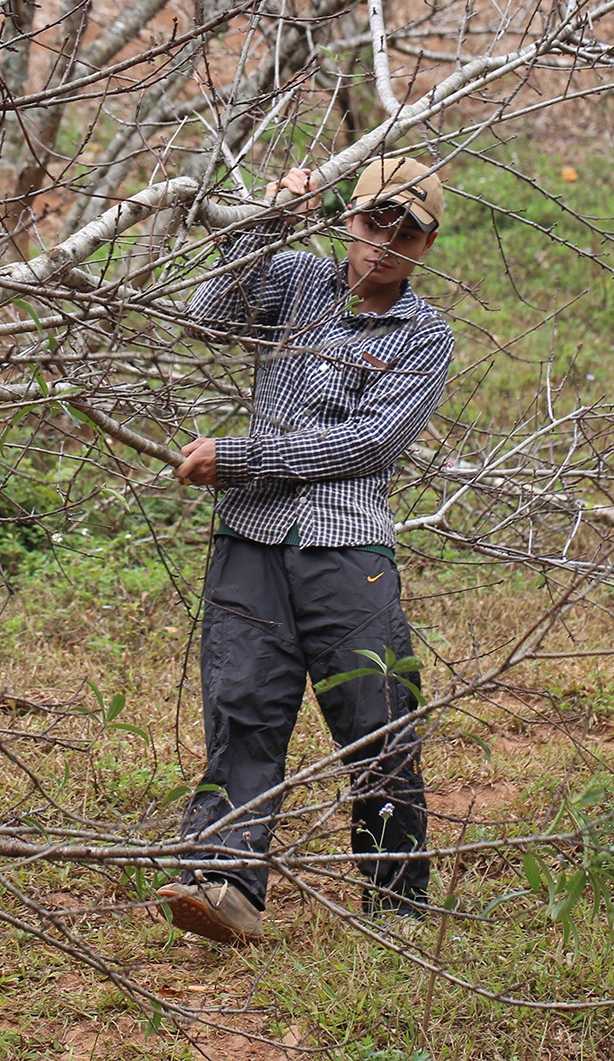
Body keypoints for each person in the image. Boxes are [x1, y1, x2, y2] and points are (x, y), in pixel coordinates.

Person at [155, 155, 454, 944]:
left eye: (405, 235)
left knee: (376, 719)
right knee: (243, 708)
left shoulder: (424, 336)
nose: (383, 246)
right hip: (250, 538)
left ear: (426, 247)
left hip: (346, 549)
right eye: (372, 224)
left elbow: (367, 443)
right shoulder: (292, 279)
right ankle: (224, 886)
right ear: (347, 221)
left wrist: (243, 458)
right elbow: (205, 314)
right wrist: (270, 217)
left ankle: (397, 907)